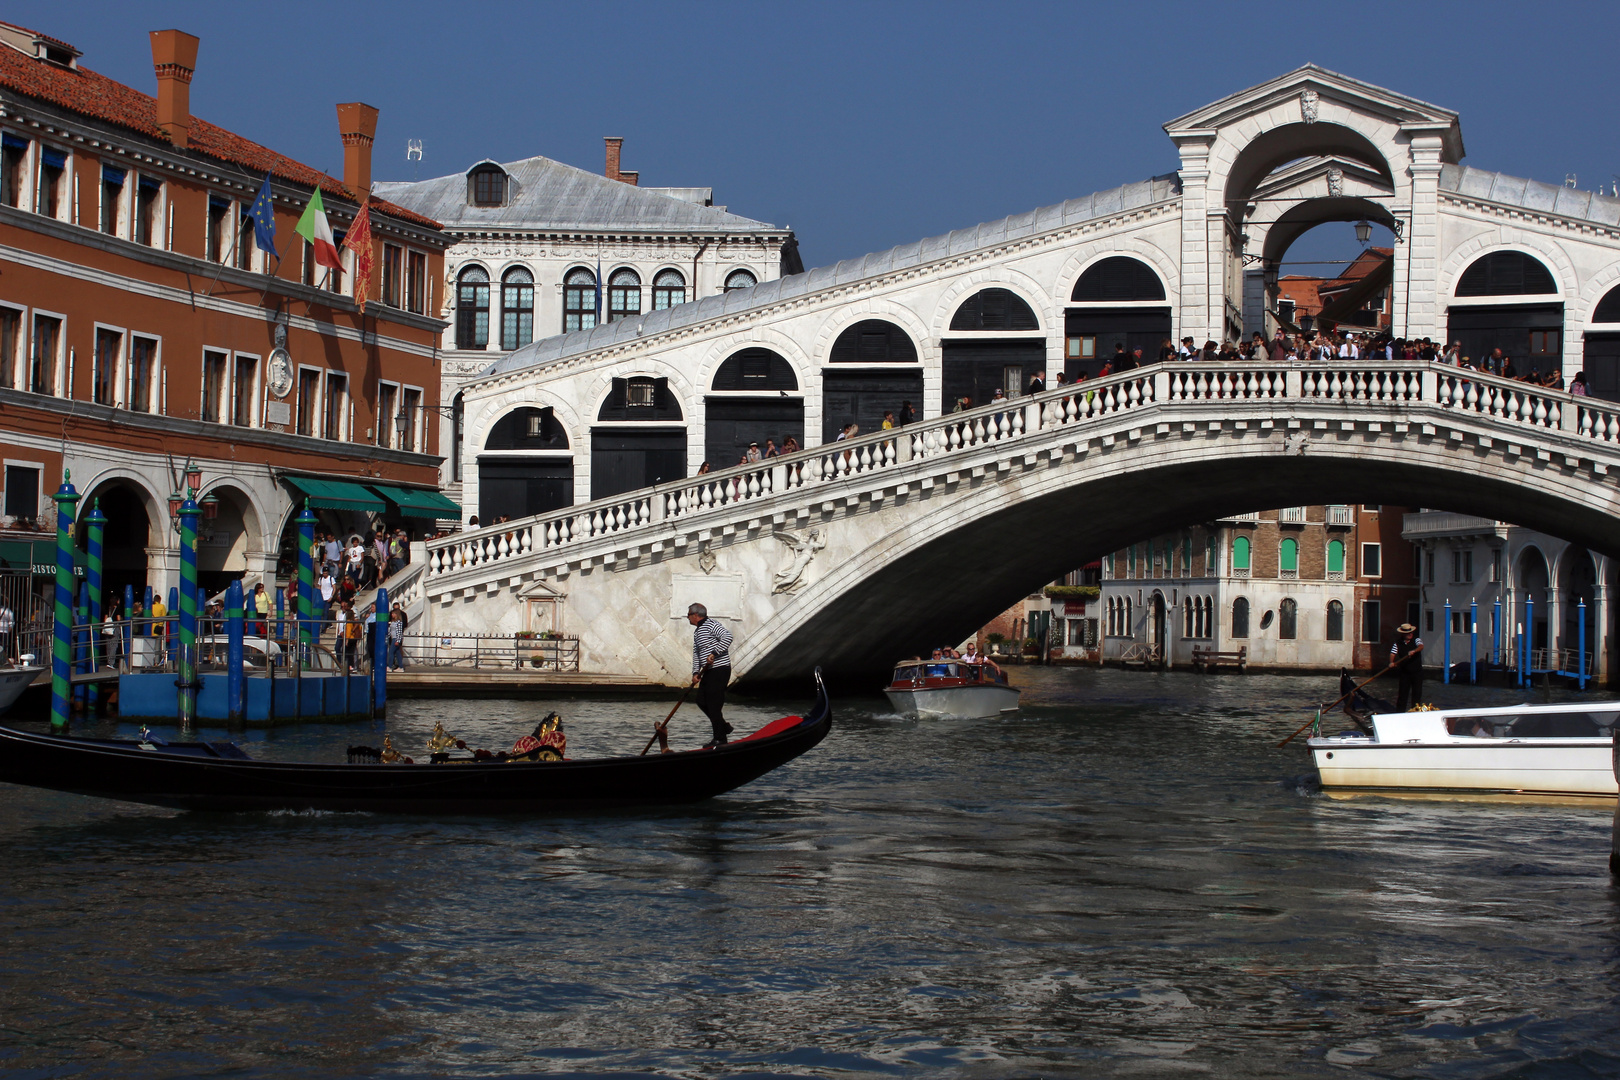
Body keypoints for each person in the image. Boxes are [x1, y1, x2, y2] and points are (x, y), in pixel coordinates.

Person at [687, 603, 733, 747]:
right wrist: (695, 672)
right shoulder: (697, 632)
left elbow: (728, 637)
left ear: (695, 615)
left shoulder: (712, 624)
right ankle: (723, 726)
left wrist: (714, 653)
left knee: (714, 704)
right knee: (701, 701)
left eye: (688, 615)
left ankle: (720, 738)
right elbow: (696, 654)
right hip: (708, 671)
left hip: (720, 669)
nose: (687, 618)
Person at [1390, 622, 1424, 713]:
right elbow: (1393, 653)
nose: (1410, 634)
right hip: (1405, 673)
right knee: (1402, 695)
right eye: (1408, 633)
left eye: (1411, 632)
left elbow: (1421, 646)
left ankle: (1415, 712)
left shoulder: (1417, 640)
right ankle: (1400, 713)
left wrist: (1414, 651)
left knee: (1416, 694)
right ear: (1403, 634)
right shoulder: (1397, 643)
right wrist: (1391, 662)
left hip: (1417, 673)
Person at [387, 605, 406, 671]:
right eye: (392, 613)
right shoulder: (392, 622)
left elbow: (399, 632)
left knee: (391, 652)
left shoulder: (399, 622)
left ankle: (390, 666)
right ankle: (401, 667)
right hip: (393, 638)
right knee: (398, 653)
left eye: (393, 614)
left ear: (396, 614)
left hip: (396, 638)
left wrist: (398, 640)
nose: (392, 615)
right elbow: (390, 631)